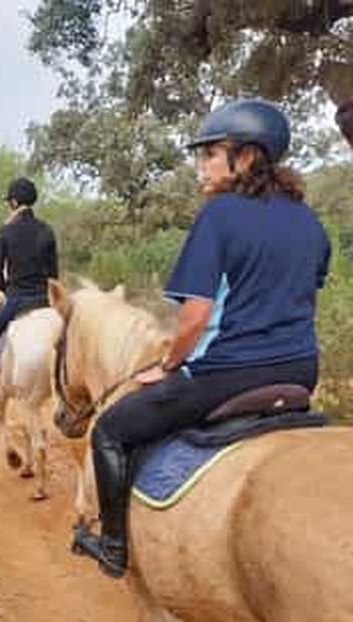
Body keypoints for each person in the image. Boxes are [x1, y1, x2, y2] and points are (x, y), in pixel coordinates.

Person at [74, 98, 332, 578]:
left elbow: (195, 318)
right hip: (300, 369)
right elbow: (298, 298)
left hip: (227, 373)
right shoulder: (310, 223)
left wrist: (169, 365)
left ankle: (112, 545)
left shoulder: (221, 215)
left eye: (211, 153)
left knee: (111, 429)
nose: (200, 166)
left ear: (248, 157)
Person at [0, 177, 59, 404]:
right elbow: (54, 275)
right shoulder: (47, 230)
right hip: (45, 300)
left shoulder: (5, 232)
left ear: (13, 202)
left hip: (18, 299)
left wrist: (6, 290)